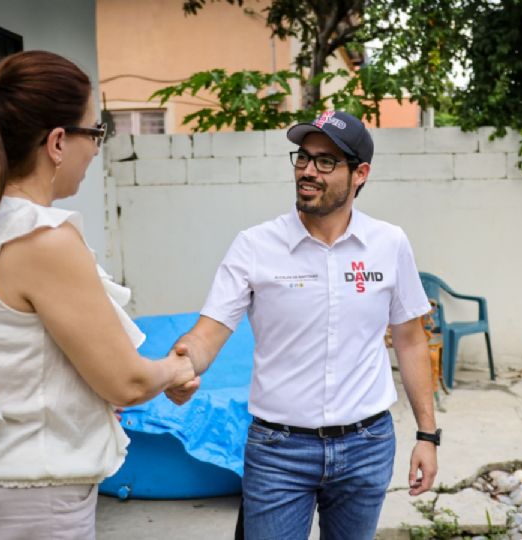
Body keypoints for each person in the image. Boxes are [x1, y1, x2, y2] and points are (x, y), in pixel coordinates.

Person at [0, 50, 196, 540]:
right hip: (32, 509)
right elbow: (125, 380)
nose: (96, 148)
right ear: (58, 141)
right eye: (95, 133)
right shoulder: (42, 238)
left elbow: (18, 367)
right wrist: (176, 369)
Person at [166, 110, 440, 540]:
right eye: (303, 157)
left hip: (368, 445)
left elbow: (409, 340)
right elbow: (209, 332)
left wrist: (428, 434)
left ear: (360, 174)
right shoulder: (255, 245)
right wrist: (181, 366)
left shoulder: (389, 244)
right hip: (279, 452)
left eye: (326, 161)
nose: (308, 171)